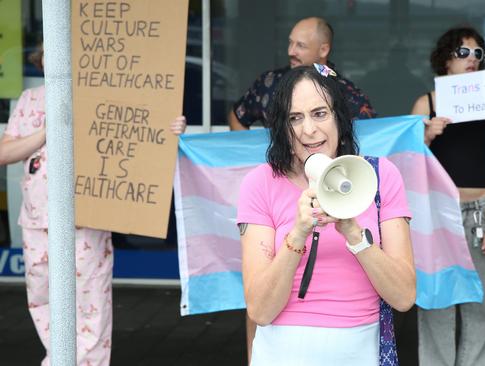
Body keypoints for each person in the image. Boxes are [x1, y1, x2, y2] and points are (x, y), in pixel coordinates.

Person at [0, 46, 187, 366]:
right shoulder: (30, 100)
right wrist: (47, 132)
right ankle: (58, 359)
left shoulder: (104, 96)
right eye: (49, 52)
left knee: (91, 302)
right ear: (41, 59)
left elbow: (145, 131)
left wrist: (171, 127)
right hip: (36, 218)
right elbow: (5, 152)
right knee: (42, 297)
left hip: (88, 218)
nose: (55, 59)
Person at [236, 65, 416, 365]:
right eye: (295, 118)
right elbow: (260, 311)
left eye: (320, 113)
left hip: (360, 352)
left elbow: (403, 297)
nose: (309, 129)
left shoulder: (380, 177)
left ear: (339, 118)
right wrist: (297, 234)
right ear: (282, 127)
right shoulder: (260, 183)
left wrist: (355, 235)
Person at [410, 26, 485, 366]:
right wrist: (425, 135)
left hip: (482, 213)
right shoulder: (427, 103)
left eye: (478, 54)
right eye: (463, 52)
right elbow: (404, 166)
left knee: (482, 306)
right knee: (437, 302)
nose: (472, 59)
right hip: (438, 215)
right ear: (446, 60)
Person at [228, 16, 376, 131]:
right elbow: (237, 117)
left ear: (323, 50)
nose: (290, 51)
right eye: (290, 43)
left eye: (300, 45)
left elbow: (370, 138)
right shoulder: (270, 82)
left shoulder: (347, 94)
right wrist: (254, 159)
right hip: (278, 169)